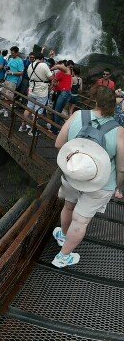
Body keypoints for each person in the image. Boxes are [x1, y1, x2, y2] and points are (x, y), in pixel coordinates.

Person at [52, 86, 124, 267]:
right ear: (114, 106)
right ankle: (63, 257)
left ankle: (63, 236)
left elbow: (59, 143)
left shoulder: (77, 116)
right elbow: (122, 168)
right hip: (101, 183)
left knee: (69, 207)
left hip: (73, 174)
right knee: (81, 219)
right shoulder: (119, 131)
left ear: (94, 100)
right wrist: (118, 186)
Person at [19, 52, 53, 135]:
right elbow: (51, 77)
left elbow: (29, 76)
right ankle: (32, 131)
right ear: (42, 59)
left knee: (28, 108)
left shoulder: (30, 65)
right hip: (41, 91)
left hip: (31, 90)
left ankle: (23, 126)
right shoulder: (44, 65)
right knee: (37, 111)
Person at [0, 46, 24, 117]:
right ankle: (4, 108)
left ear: (17, 53)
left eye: (13, 53)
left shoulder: (20, 61)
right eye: (11, 53)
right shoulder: (10, 59)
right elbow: (7, 66)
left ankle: (6, 110)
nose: (12, 54)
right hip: (6, 79)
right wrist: (5, 68)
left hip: (13, 81)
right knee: (4, 94)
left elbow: (21, 72)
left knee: (9, 96)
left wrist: (12, 73)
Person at [51, 61, 74, 129]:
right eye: (71, 66)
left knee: (56, 111)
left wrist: (49, 69)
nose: (71, 68)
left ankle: (55, 129)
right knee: (58, 111)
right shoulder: (66, 72)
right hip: (64, 92)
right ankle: (55, 127)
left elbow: (58, 66)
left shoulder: (67, 69)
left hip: (63, 92)